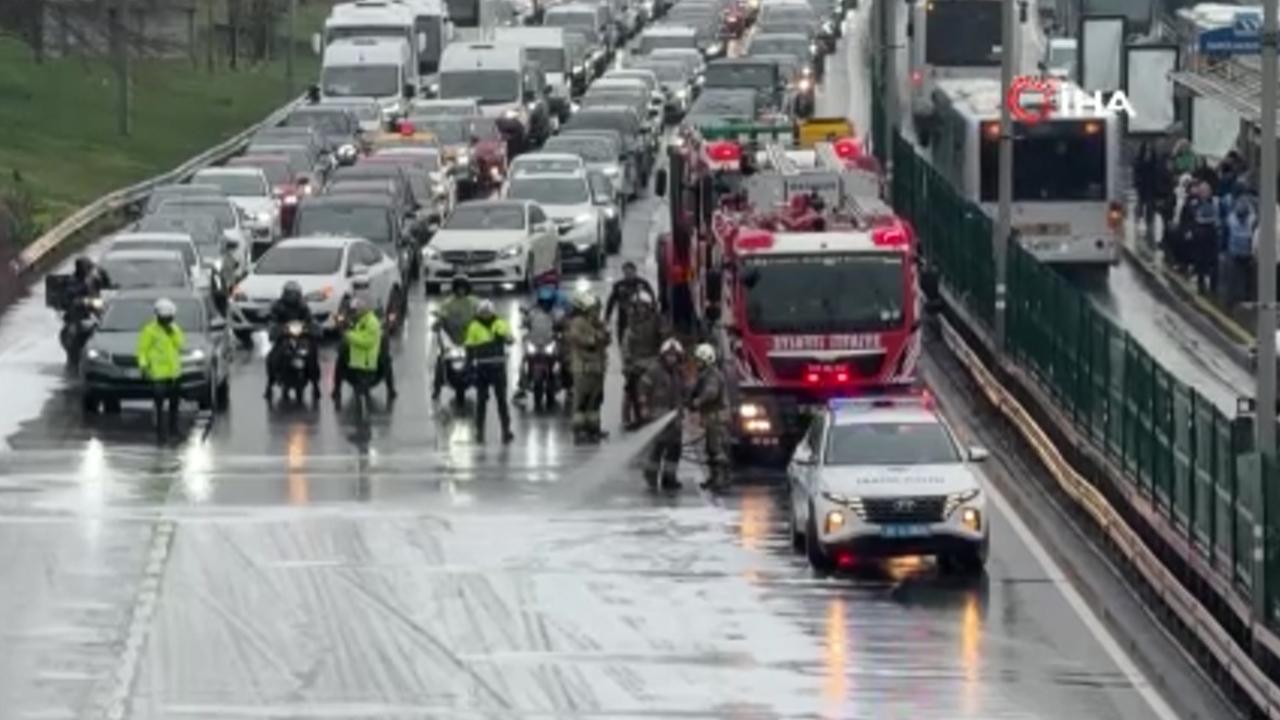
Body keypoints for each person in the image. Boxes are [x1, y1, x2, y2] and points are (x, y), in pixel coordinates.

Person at [463, 299, 515, 443]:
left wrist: (504, 337)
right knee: (481, 401)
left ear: (492, 312)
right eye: (483, 313)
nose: (485, 315)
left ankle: (506, 429)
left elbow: (510, 338)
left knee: (502, 401)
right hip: (482, 369)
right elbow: (469, 347)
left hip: (498, 368)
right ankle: (479, 430)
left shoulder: (500, 323)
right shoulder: (473, 326)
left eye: (487, 312)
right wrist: (468, 367)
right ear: (479, 313)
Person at [638, 338, 687, 490]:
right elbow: (642, 389)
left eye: (674, 356)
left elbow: (684, 392)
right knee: (657, 450)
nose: (671, 358)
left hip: (675, 420)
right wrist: (644, 407)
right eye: (669, 355)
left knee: (674, 450)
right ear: (663, 356)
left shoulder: (679, 373)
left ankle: (669, 478)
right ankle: (651, 477)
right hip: (657, 419)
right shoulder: (654, 371)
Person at [136, 298, 185, 442]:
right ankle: (161, 433)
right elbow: (142, 350)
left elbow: (180, 345)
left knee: (174, 403)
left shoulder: (175, 329)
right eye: (164, 318)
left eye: (168, 318)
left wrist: (172, 333)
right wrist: (144, 366)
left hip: (174, 373)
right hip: (158, 374)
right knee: (159, 404)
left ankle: (173, 429)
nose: (166, 321)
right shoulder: (149, 330)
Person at [566, 291, 611, 443]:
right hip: (583, 369)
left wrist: (602, 333)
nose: (597, 311)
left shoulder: (596, 322)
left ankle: (594, 430)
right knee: (581, 402)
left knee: (595, 401)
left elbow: (606, 339)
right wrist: (598, 337)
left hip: (597, 368)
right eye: (594, 308)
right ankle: (579, 431)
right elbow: (584, 341)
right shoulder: (577, 322)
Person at [264, 281, 321, 400]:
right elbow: (272, 320)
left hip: (302, 336)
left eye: (295, 294)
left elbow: (310, 319)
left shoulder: (303, 306)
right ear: (285, 294)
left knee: (312, 354)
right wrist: (275, 328)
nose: (293, 297)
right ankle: (269, 385)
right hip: (284, 336)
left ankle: (315, 385)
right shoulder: (278, 306)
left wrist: (314, 327)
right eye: (290, 294)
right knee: (273, 357)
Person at [514, 285, 567, 403]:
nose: (545, 304)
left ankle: (568, 385)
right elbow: (525, 321)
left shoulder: (557, 312)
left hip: (550, 342)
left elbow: (563, 322)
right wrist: (524, 322)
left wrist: (562, 327)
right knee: (524, 360)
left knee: (563, 358)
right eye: (543, 302)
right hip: (535, 342)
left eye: (548, 302)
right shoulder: (533, 312)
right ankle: (521, 386)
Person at [688, 342, 729, 490]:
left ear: (707, 360)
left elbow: (711, 393)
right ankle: (714, 478)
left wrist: (697, 402)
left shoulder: (712, 375)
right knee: (711, 449)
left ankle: (720, 480)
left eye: (699, 360)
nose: (697, 363)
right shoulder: (706, 374)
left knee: (716, 450)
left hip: (716, 418)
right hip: (712, 418)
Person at [432, 277, 479, 401]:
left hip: (470, 340)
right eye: (459, 288)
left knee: (480, 361)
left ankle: (482, 387)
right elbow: (441, 316)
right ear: (454, 289)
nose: (461, 291)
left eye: (463, 288)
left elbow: (485, 313)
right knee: (440, 361)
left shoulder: (474, 302)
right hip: (451, 341)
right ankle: (437, 389)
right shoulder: (447, 303)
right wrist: (438, 323)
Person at [621, 294, 664, 428]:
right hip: (635, 361)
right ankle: (627, 418)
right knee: (629, 391)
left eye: (644, 307)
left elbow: (663, 339)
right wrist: (628, 360)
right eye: (638, 307)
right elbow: (626, 344)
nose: (641, 310)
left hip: (653, 359)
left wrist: (661, 356)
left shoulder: (657, 321)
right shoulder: (630, 324)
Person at [335, 297, 383, 405]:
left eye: (355, 311)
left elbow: (367, 342)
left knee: (386, 359)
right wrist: (342, 327)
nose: (353, 313)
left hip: (366, 364)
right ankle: (336, 388)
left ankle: (391, 387)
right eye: (352, 311)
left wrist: (349, 335)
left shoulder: (372, 322)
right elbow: (351, 330)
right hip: (358, 363)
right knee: (340, 360)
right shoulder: (360, 320)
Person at [604, 261, 656, 342]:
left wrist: (653, 313)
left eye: (630, 273)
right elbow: (611, 302)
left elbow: (652, 299)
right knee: (622, 340)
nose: (628, 275)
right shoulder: (618, 286)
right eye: (626, 273)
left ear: (635, 271)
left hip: (640, 318)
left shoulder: (643, 284)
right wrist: (607, 317)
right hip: (623, 317)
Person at [1226, 196, 1257, 306]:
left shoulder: (1233, 220)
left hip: (1239, 253)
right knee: (1244, 278)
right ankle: (1243, 299)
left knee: (1237, 278)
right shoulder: (1250, 221)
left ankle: (1235, 300)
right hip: (1243, 253)